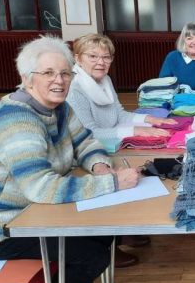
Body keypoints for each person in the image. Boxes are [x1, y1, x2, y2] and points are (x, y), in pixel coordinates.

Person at [0, 36, 140, 283]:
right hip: (0, 228)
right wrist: (113, 184)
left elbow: (85, 142)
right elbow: (41, 187)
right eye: (49, 73)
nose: (60, 80)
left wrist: (101, 166)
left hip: (33, 211)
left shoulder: (59, 108)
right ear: (26, 79)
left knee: (104, 232)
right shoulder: (17, 118)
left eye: (65, 73)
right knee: (92, 256)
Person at [68, 33, 176, 267]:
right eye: (93, 56)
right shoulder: (75, 88)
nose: (101, 62)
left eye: (106, 57)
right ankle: (107, 248)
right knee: (117, 181)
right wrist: (134, 133)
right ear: (77, 58)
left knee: (135, 175)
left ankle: (123, 232)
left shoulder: (103, 81)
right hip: (85, 155)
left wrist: (151, 120)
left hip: (108, 146)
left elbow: (120, 115)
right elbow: (88, 132)